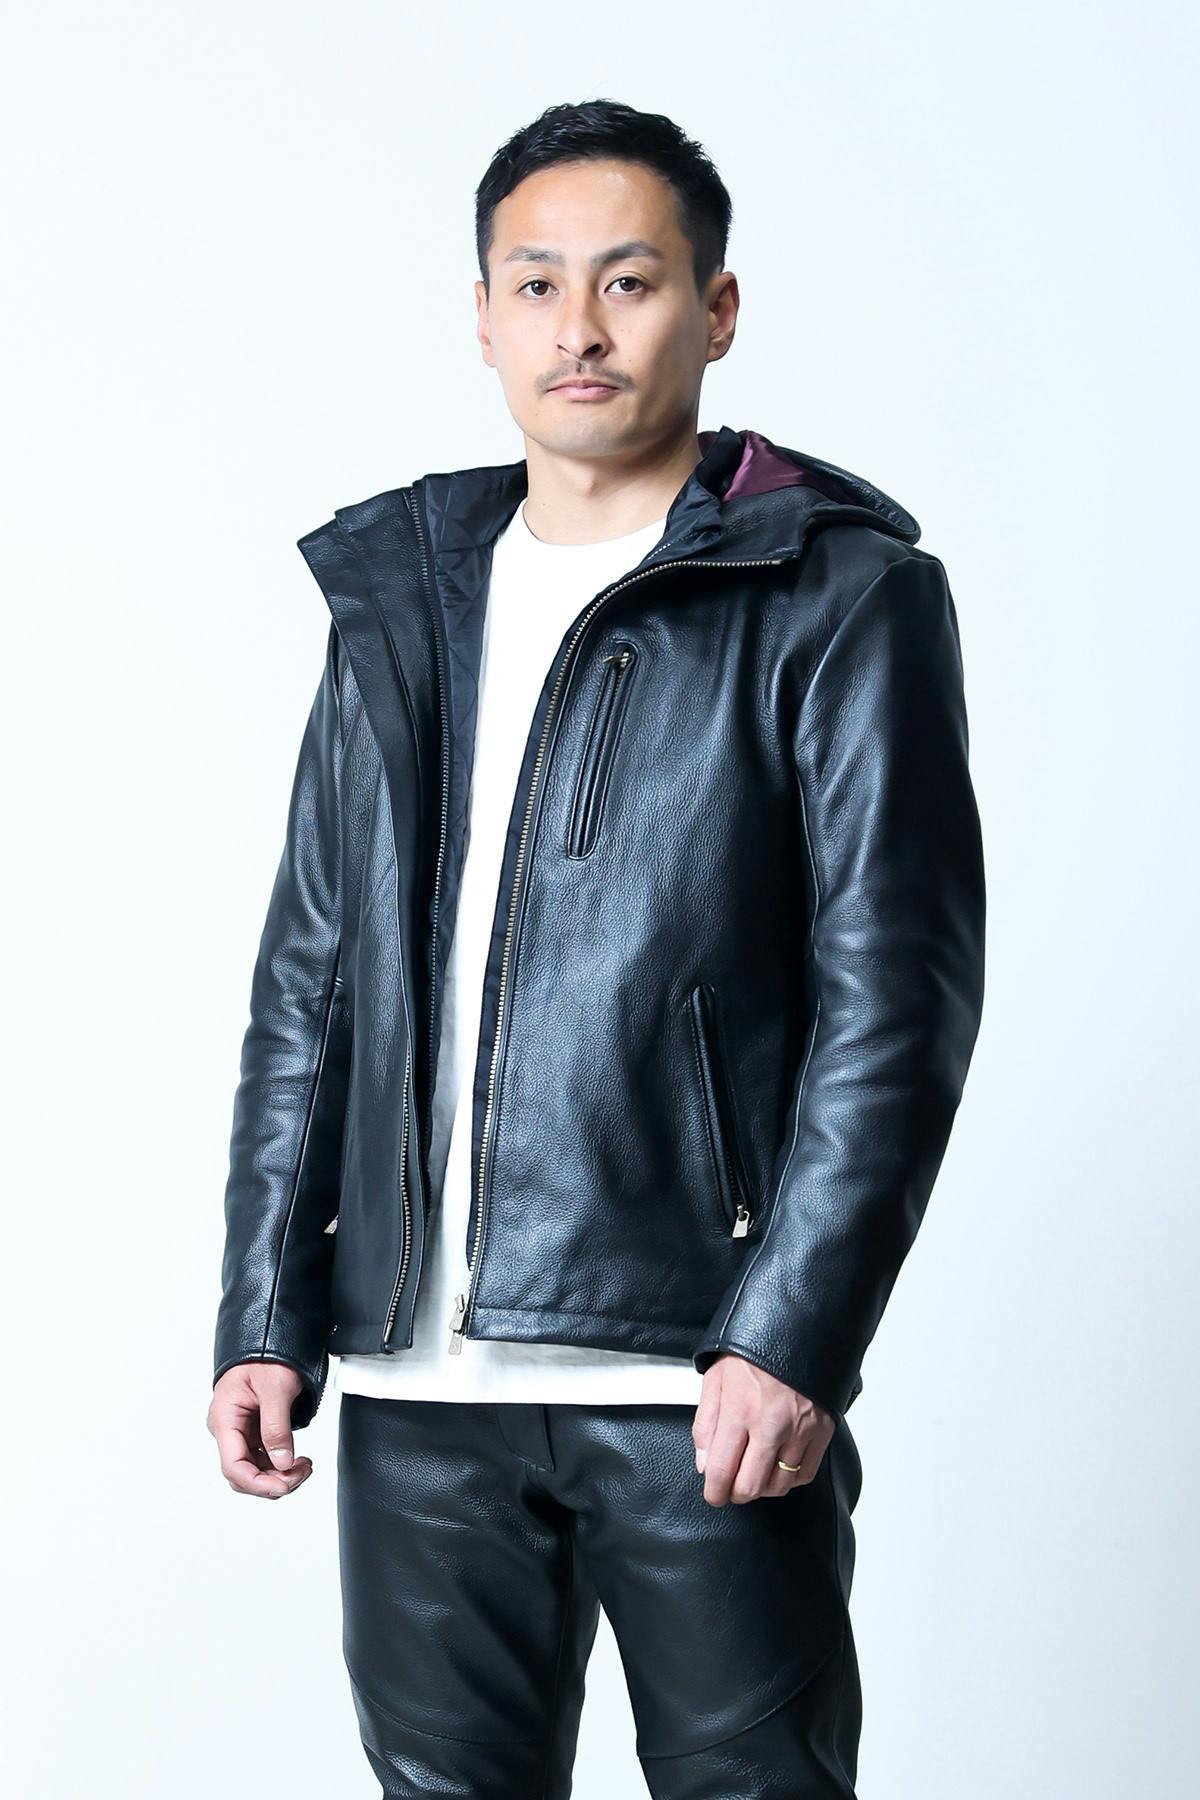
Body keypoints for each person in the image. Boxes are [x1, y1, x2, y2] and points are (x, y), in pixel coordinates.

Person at [208, 96, 986, 1799]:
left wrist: (793, 1332)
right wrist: (265, 1304)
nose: (580, 327)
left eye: (630, 282)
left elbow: (898, 1004)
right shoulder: (403, 599)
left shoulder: (837, 593)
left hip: (694, 1368)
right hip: (416, 1387)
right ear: (483, 316)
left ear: (717, 310)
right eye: (537, 283)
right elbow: (312, 981)